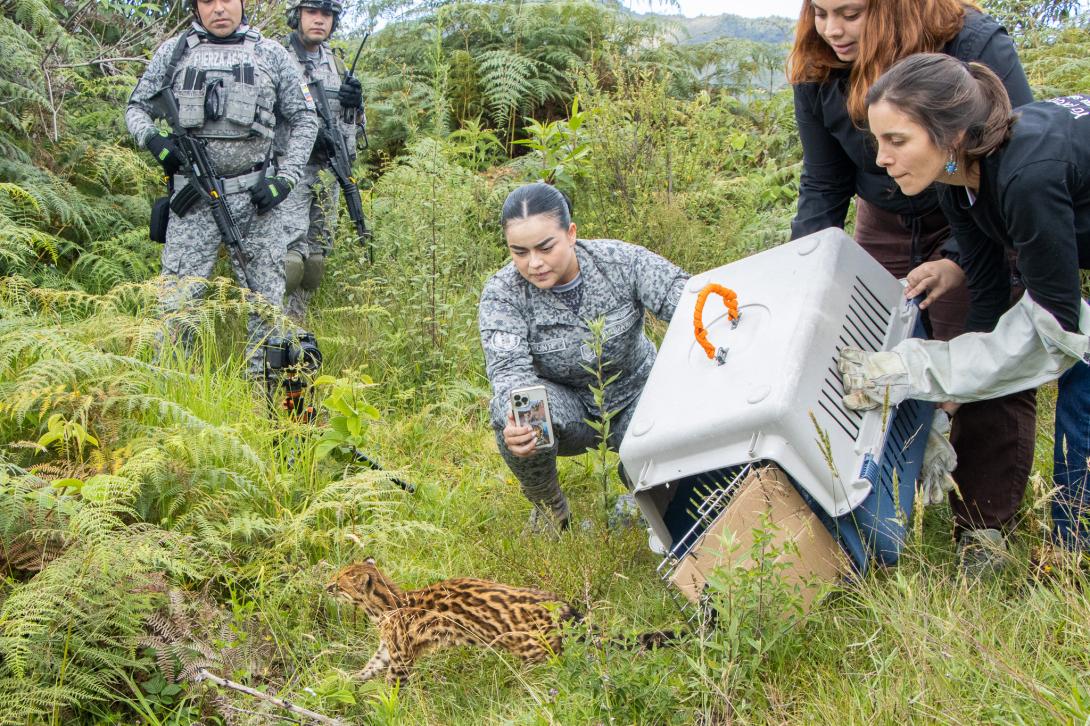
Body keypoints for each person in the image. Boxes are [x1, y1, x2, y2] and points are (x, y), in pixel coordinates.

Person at [787, 0, 1037, 568]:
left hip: (975, 203)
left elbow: (1012, 160)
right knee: (869, 354)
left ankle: (983, 529)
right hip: (885, 214)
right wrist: (806, 267)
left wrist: (959, 256)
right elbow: (823, 180)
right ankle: (869, 523)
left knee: (984, 353)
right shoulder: (819, 62)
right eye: (820, 12)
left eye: (848, 13)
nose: (831, 30)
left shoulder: (971, 43)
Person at [841, 52, 1090, 552]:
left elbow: (1054, 327)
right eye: (877, 141)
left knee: (1082, 394)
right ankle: (1073, 546)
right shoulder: (958, 185)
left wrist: (923, 370)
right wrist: (948, 403)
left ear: (951, 133)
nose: (881, 159)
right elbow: (991, 297)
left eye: (897, 140)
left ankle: (1072, 553)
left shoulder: (1028, 176)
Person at [479, 183, 689, 533]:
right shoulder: (503, 293)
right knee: (518, 412)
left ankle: (643, 496)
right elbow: (509, 371)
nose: (534, 263)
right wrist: (517, 423)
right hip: (568, 406)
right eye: (519, 252)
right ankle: (552, 512)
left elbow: (689, 301)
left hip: (638, 396)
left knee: (672, 484)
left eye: (546, 247)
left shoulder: (621, 262)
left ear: (571, 233)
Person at [127, 0, 318, 384]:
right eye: (207, 1)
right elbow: (136, 108)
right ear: (195, 6)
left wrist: (285, 178)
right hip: (193, 199)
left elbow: (305, 117)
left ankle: (264, 391)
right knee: (178, 303)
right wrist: (155, 141)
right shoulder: (175, 51)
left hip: (256, 200)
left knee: (265, 302)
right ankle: (174, 393)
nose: (218, 9)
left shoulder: (271, 53)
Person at [277, 0, 365, 325]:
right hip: (289, 173)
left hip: (327, 175)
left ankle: (296, 329)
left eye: (326, 14)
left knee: (314, 260)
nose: (319, 20)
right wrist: (304, 136)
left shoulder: (337, 63)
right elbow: (259, 118)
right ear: (296, 15)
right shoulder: (276, 58)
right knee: (288, 260)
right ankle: (271, 334)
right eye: (311, 12)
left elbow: (353, 129)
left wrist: (355, 108)